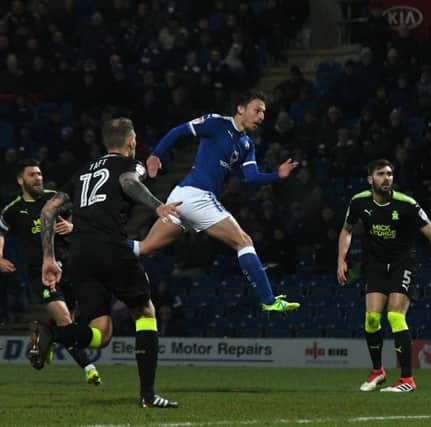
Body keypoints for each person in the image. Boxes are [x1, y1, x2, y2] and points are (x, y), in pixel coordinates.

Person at [37, 118, 181, 408]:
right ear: (130, 142)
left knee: (101, 333)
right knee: (145, 312)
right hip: (111, 248)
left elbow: (48, 209)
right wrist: (157, 206)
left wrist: (49, 257)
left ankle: (53, 333)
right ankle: (148, 395)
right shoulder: (130, 164)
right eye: (135, 140)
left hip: (79, 255)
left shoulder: (81, 173)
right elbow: (128, 182)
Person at [130, 90, 300, 313]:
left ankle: (100, 246)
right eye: (257, 110)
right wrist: (155, 155)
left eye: (264, 113)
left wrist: (277, 175)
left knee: (145, 248)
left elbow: (251, 178)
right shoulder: (216, 123)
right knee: (244, 241)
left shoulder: (247, 145)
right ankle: (268, 300)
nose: (261, 117)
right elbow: (178, 131)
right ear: (241, 109)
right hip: (197, 195)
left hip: (181, 198)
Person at [337, 159, 431, 393]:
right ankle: (378, 372)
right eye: (381, 174)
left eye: (390, 174)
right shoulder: (359, 202)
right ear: (370, 179)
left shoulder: (407, 205)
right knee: (372, 319)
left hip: (402, 264)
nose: (387, 178)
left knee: (395, 316)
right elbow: (346, 230)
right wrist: (341, 260)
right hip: (374, 265)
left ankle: (407, 379)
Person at [0, 159, 101, 385]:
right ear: (20, 180)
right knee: (65, 319)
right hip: (42, 273)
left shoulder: (55, 197)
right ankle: (89, 368)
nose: (38, 178)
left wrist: (73, 226)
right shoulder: (13, 210)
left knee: (74, 321)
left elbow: (83, 212)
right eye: (32, 175)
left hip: (71, 266)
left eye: (39, 174)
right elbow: (1, 232)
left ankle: (48, 335)